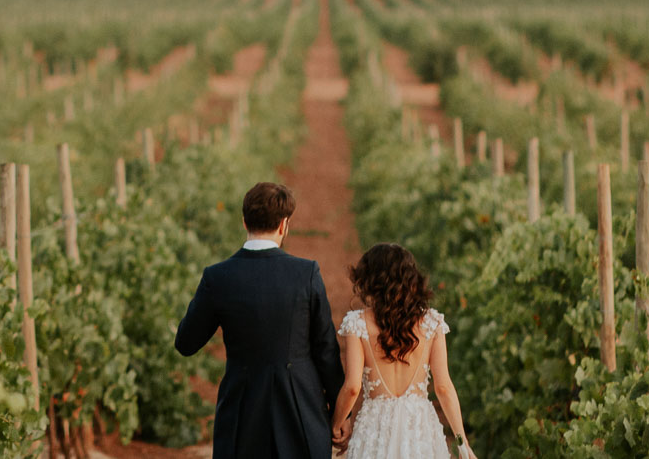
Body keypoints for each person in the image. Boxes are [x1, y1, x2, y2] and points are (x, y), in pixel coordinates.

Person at [176, 181, 345, 459]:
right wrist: (340, 414)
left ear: (244, 222)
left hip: (242, 412)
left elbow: (186, 343)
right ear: (283, 225)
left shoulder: (217, 277)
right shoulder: (307, 273)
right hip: (299, 407)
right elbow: (326, 349)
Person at [330, 243, 474, 459]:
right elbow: (443, 387)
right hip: (418, 428)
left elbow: (352, 387)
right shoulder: (432, 323)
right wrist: (462, 442)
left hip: (375, 428)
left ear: (370, 281)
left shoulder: (357, 323)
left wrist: (337, 422)